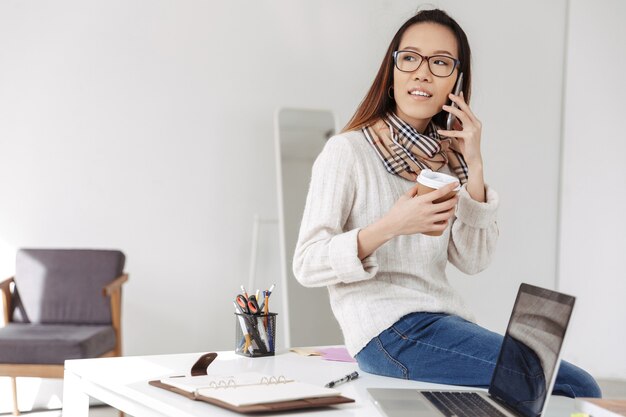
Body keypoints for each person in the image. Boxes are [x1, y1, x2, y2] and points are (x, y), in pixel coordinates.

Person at [292, 8, 601, 398]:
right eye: (410, 59)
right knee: (575, 384)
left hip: (442, 321)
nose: (422, 73)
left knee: (550, 386)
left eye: (440, 63)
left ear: (456, 79)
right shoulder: (348, 152)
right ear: (393, 72)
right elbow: (306, 263)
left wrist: (474, 165)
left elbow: (472, 260)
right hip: (387, 333)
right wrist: (392, 225)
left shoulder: (448, 161)